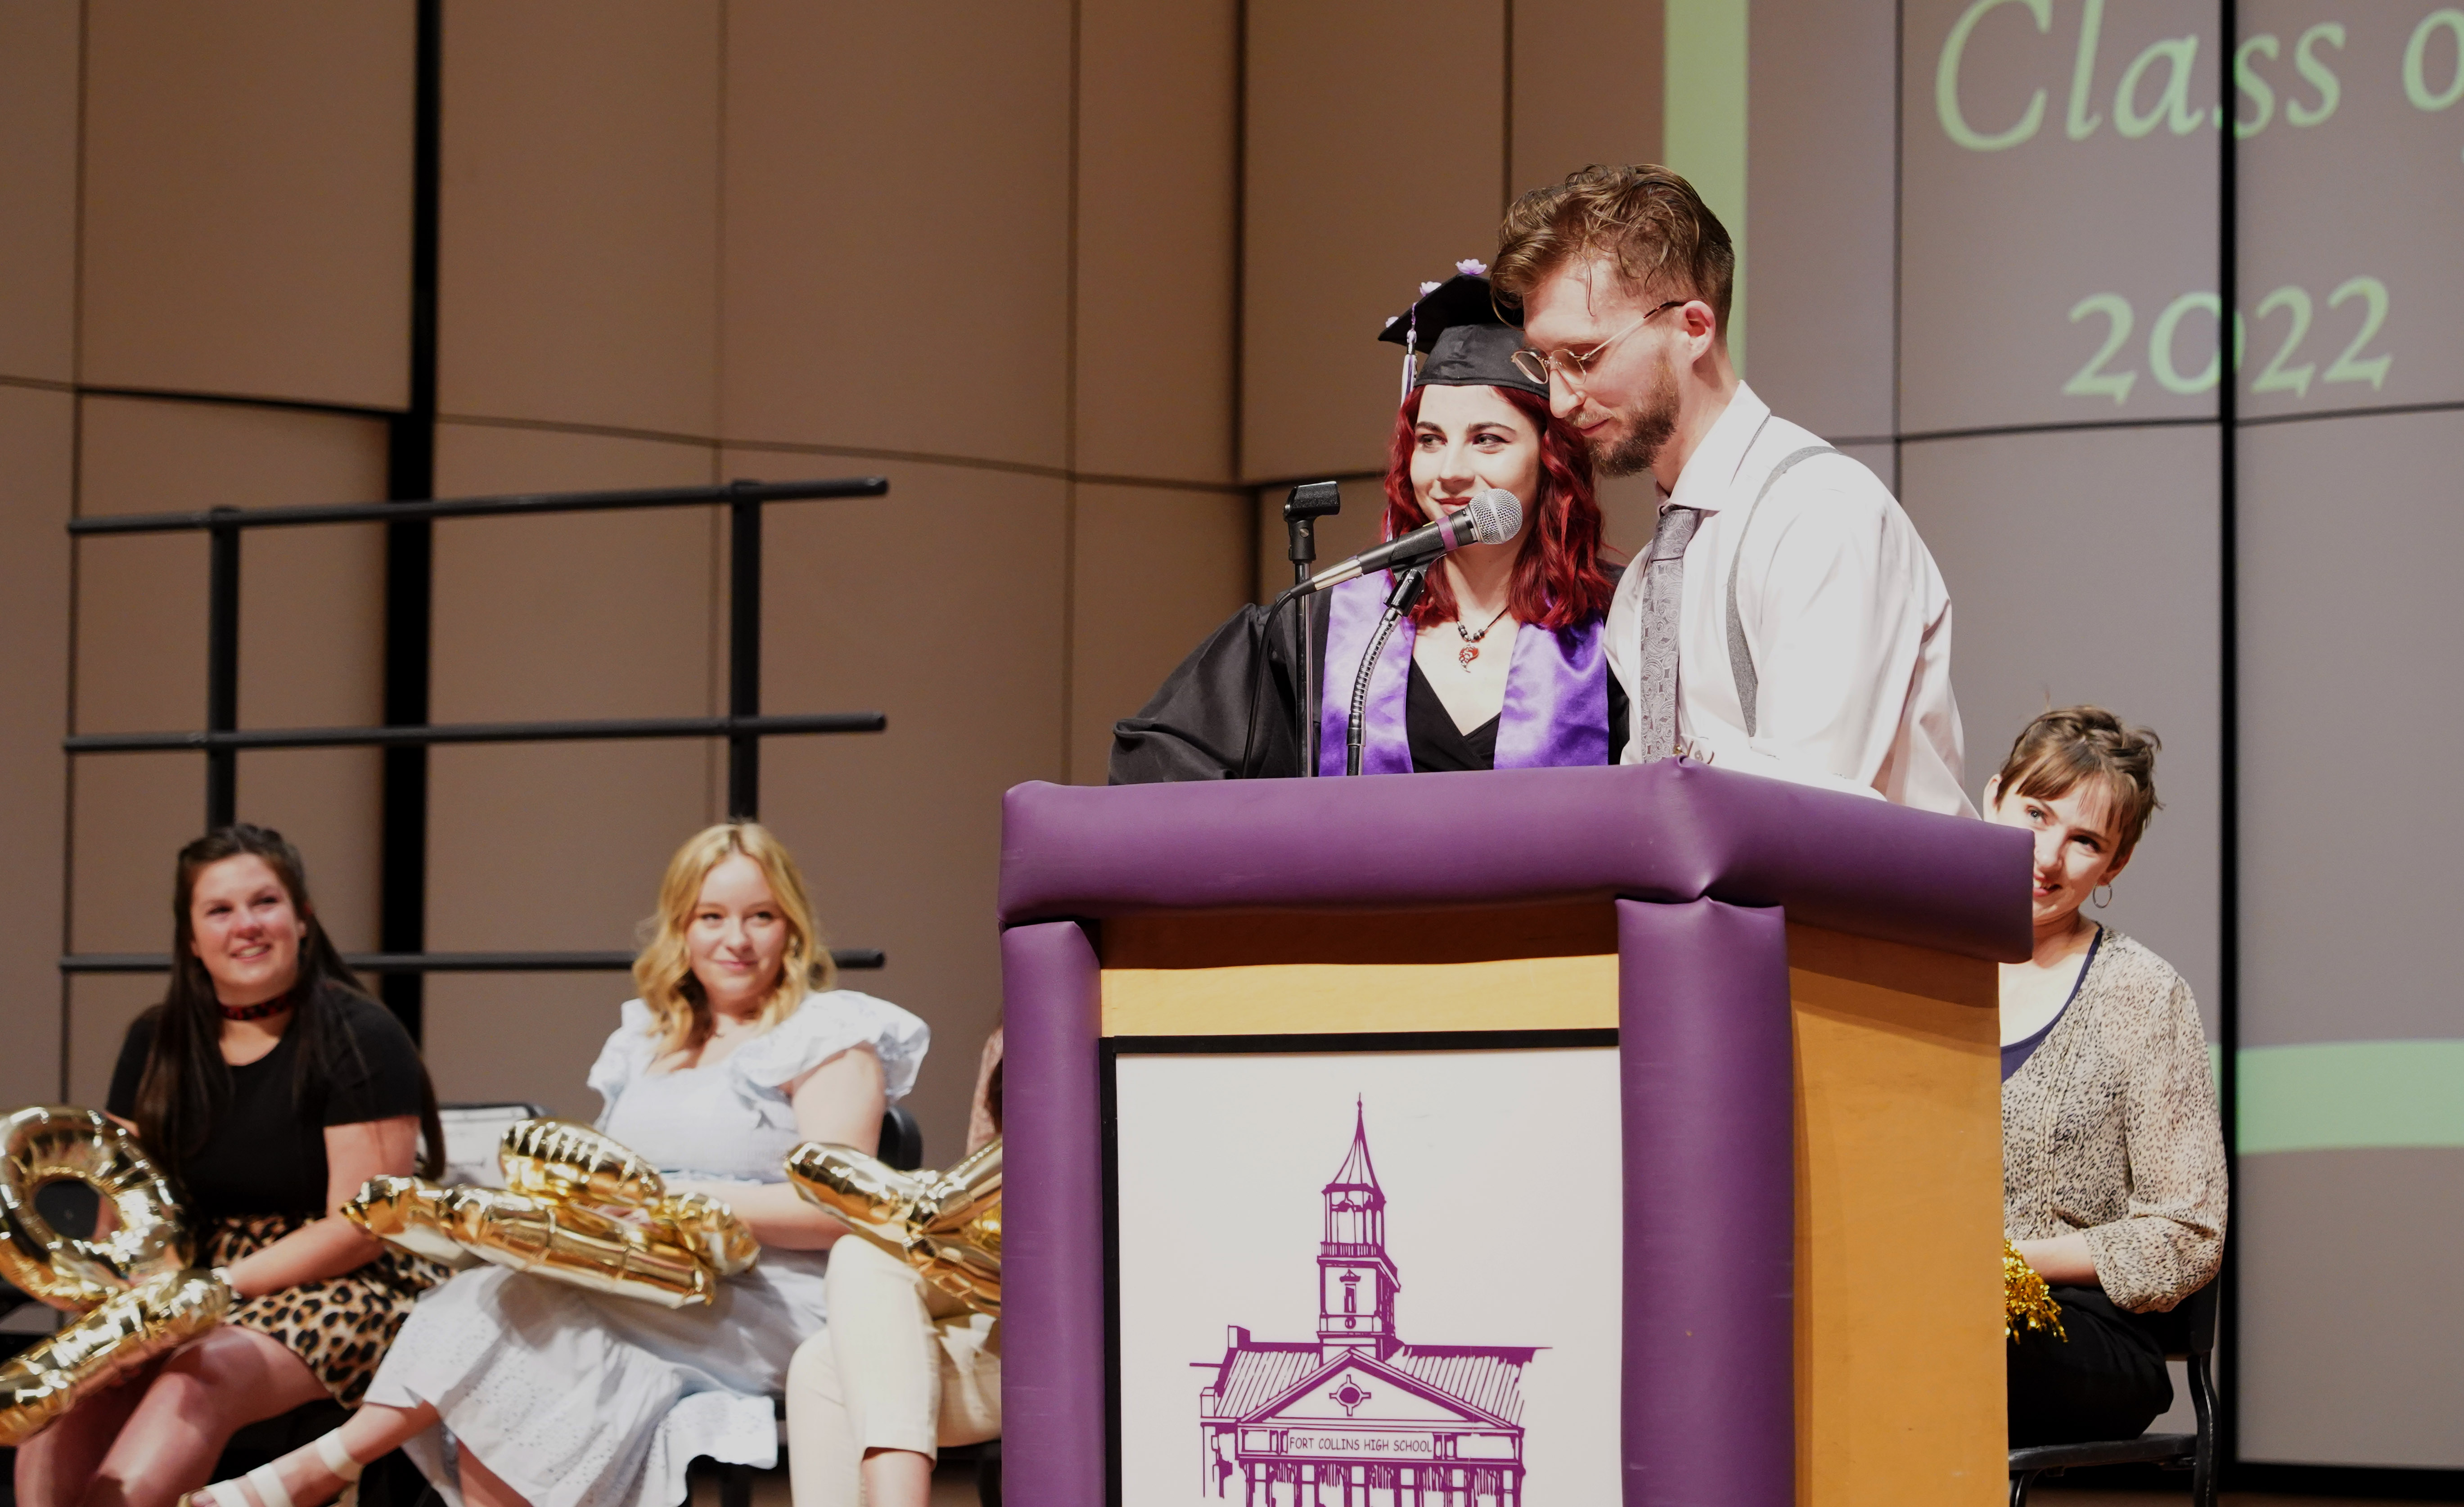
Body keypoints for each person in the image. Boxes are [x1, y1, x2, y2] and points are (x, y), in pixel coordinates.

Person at [187, 821, 930, 1507]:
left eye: (760, 916)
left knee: (506, 1306)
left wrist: (671, 1200)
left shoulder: (831, 1033)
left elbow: (838, 1209)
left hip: (762, 1294)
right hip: (639, 1286)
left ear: (791, 926)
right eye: (712, 917)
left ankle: (323, 1466)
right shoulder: (650, 1039)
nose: (736, 939)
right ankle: (324, 1468)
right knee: (505, 1336)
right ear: (682, 927)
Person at [1492, 164, 1973, 814]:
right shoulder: (1645, 580)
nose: (1558, 400)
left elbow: (1807, 806)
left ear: (1693, 327)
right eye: (1543, 364)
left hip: (1864, 915)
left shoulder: (1817, 514)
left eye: (1583, 356)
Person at [15, 825, 448, 1507]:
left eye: (265, 903)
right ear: (192, 938)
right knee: (76, 1389)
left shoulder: (361, 1035)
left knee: (200, 1374)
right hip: (192, 1279)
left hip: (347, 1279)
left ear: (302, 919)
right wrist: (123, 1315)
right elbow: (121, 1217)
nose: (246, 926)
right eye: (220, 911)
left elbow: (360, 1229)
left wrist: (207, 1295)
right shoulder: (155, 1039)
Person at [1111, 266, 1624, 781]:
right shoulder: (1323, 630)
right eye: (1430, 440)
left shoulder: (1620, 620)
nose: (1449, 473)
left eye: (1488, 439)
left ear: (1551, 459)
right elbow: (1157, 767)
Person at [1986, 708, 2225, 1446]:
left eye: (2084, 840)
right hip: (1921, 1292)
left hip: (2080, 1332)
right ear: (1991, 798)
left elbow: (2188, 1232)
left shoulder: (2145, 996)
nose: (2048, 856)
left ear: (2114, 865)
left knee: (1937, 1322)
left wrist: (2005, 1263)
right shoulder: (1913, 963)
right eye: (2034, 813)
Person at [783, 1029, 1003, 1507]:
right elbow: (984, 1192)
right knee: (826, 1345)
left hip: (1102, 1318)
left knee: (826, 1369)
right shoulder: (1010, 1038)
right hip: (1007, 1293)